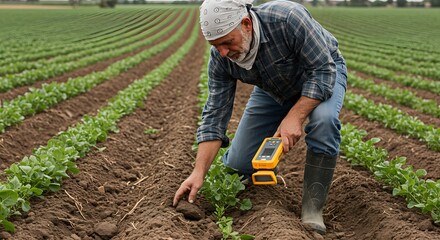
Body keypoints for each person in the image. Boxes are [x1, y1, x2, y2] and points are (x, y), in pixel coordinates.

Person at [173, 0, 347, 235]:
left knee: (324, 122)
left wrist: (294, 116)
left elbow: (323, 71)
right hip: (273, 89)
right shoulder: (221, 60)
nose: (223, 52)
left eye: (227, 42)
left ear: (246, 24)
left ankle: (312, 208)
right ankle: (260, 176)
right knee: (239, 164)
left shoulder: (287, 19)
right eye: (216, 46)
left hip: (320, 72)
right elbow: (215, 114)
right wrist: (198, 172)